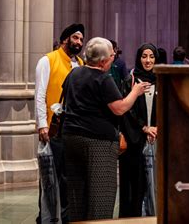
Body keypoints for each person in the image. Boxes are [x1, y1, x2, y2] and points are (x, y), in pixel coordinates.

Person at [61, 37, 150, 221]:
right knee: (101, 195)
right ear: (103, 61)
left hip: (71, 138)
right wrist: (135, 91)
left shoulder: (74, 73)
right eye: (112, 56)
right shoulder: (103, 78)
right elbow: (120, 108)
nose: (113, 59)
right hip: (97, 143)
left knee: (77, 193)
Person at [35, 23, 85, 223]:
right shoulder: (47, 60)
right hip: (53, 129)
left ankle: (66, 218)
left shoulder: (80, 63)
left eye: (81, 39)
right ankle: (45, 218)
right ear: (65, 39)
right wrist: (42, 125)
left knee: (68, 179)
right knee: (49, 178)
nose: (79, 43)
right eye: (75, 38)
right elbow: (40, 95)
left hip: (73, 130)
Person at [119, 43, 159, 217]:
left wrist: (157, 128)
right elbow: (126, 111)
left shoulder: (162, 79)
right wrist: (144, 128)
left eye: (151, 56)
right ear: (138, 58)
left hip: (157, 138)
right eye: (144, 56)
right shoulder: (131, 80)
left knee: (155, 183)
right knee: (135, 185)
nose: (148, 60)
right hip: (136, 140)